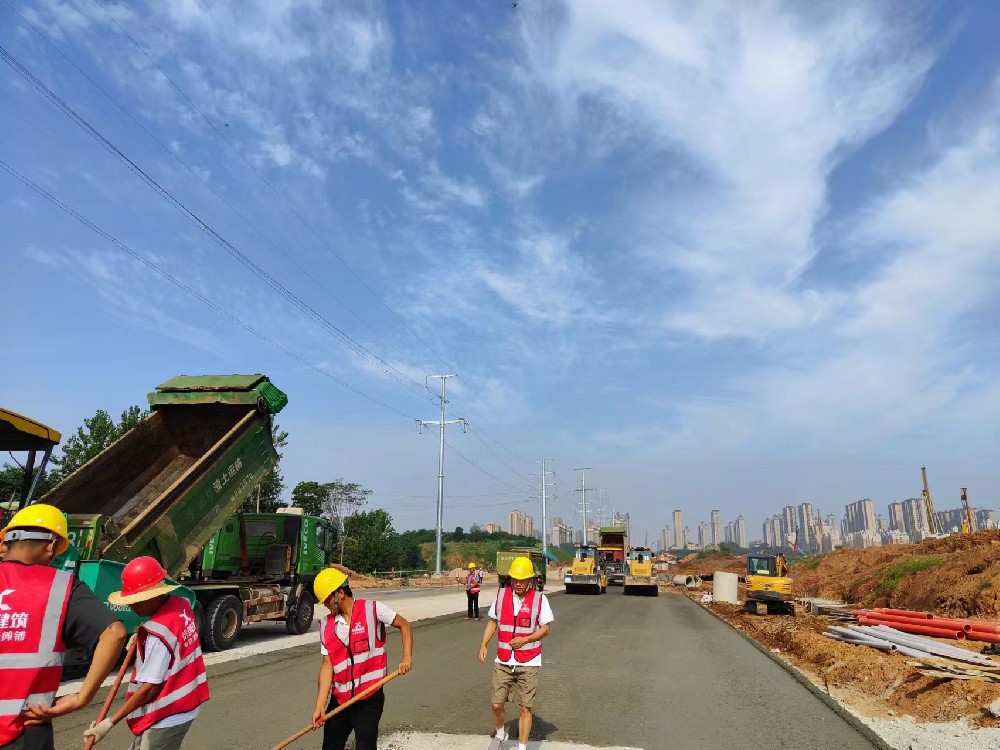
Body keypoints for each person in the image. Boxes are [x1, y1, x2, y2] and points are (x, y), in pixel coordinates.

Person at [0, 504, 126, 750]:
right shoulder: (61, 586)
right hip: (25, 730)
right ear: (51, 546)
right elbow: (114, 633)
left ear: (4, 545)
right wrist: (82, 698)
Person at [82, 556, 209, 749]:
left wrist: (109, 722)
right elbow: (175, 634)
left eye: (137, 600)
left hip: (169, 712)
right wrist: (143, 632)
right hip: (187, 702)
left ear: (155, 594)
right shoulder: (181, 604)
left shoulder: (157, 634)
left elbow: (150, 688)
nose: (131, 606)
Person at [312, 568, 412, 750]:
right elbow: (327, 666)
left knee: (365, 745)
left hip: (369, 697)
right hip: (340, 700)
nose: (325, 604)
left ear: (340, 593)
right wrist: (320, 705)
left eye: (326, 599)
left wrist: (406, 658)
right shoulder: (326, 625)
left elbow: (404, 625)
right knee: (330, 746)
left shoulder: (372, 610)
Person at [478, 556, 553, 750]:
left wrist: (525, 640)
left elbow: (546, 629)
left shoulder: (539, 599)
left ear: (530, 580)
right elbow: (493, 622)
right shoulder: (501, 596)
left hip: (529, 661)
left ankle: (522, 746)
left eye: (522, 579)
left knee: (525, 707)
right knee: (496, 704)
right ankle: (500, 734)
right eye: (515, 579)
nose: (518, 583)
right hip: (503, 660)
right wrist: (483, 644)